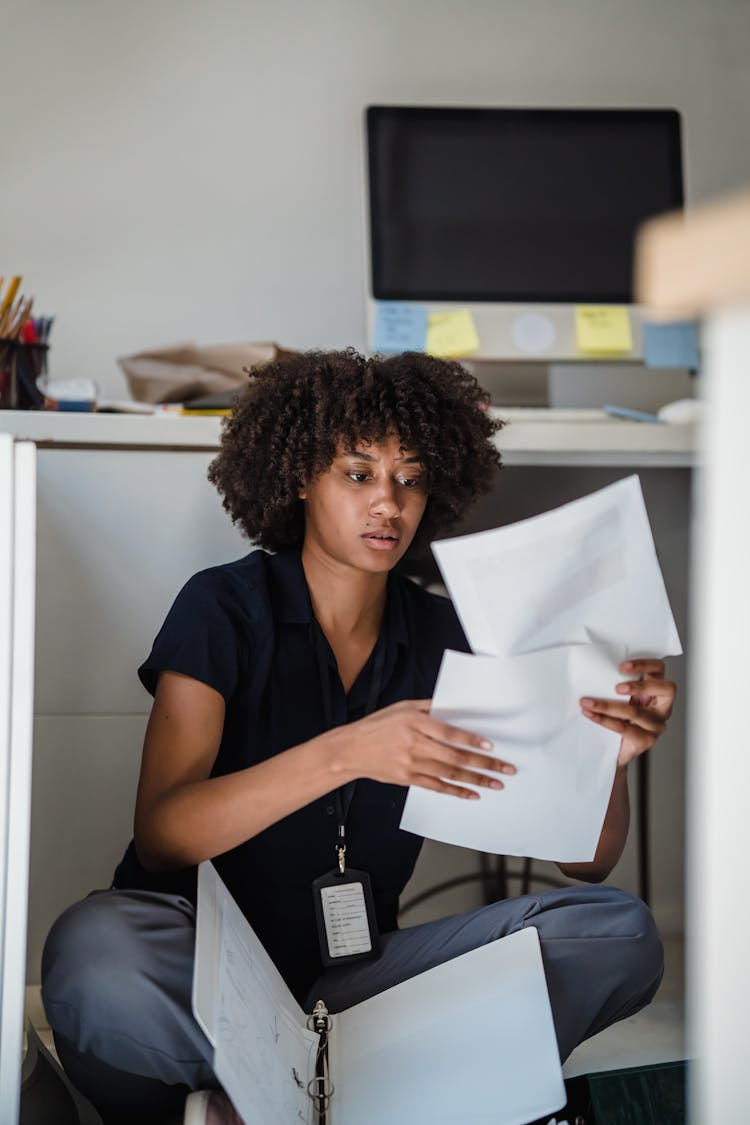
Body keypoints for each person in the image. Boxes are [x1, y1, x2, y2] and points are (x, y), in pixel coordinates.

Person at [41, 349, 675, 1124]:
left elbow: (587, 857)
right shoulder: (224, 607)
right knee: (95, 948)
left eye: (410, 478)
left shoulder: (450, 638)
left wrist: (602, 753)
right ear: (302, 476)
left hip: (352, 988)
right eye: (358, 473)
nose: (389, 503)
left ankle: (266, 1103)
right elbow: (164, 835)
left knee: (616, 930)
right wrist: (348, 750)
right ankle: (344, 1094)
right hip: (203, 976)